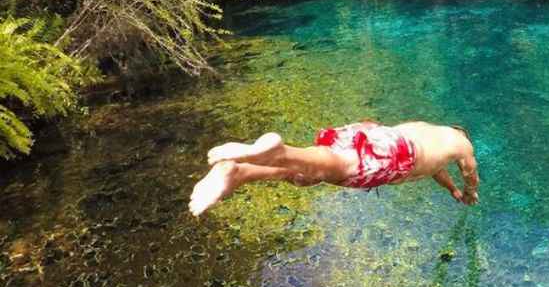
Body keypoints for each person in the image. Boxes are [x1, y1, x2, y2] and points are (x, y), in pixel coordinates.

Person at [189, 121, 480, 216]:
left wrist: (451, 189)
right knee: (338, 167)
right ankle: (279, 151)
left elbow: (435, 169)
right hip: (392, 156)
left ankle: (238, 173)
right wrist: (468, 191)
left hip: (375, 135)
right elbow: (471, 173)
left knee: (305, 176)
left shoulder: (430, 129)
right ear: (463, 135)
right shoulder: (462, 146)